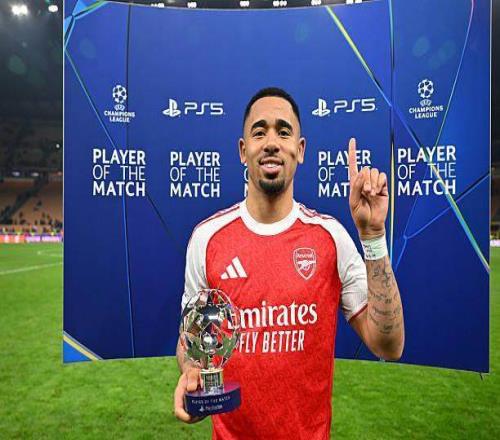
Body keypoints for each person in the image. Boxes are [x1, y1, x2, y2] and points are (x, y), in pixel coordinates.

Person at [174, 87, 404, 439]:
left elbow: (389, 345)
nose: (271, 142)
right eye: (259, 132)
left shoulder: (330, 237)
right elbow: (190, 341)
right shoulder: (207, 239)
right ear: (243, 150)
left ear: (300, 149)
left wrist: (373, 236)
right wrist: (191, 371)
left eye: (283, 132)